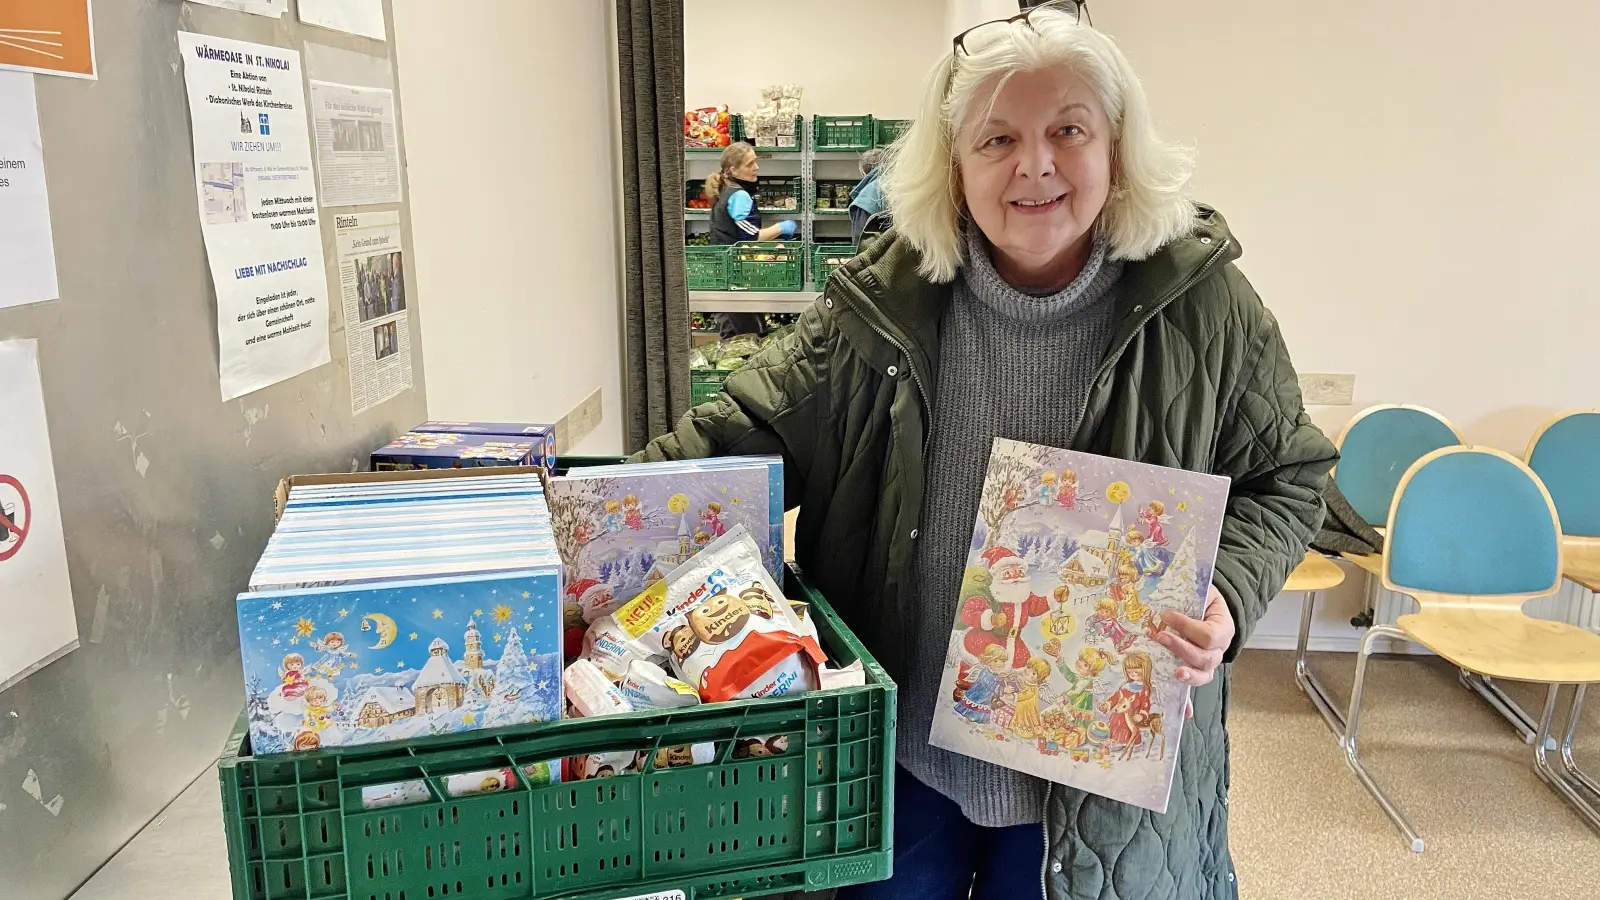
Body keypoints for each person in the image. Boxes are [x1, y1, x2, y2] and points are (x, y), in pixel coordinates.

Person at [639, 7, 1335, 899]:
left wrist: (1228, 594)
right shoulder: (881, 302)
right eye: (997, 137)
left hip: (1094, 792)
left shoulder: (1203, 305)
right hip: (899, 761)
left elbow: (1290, 477)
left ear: (1116, 148)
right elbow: (734, 437)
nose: (1035, 163)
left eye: (1068, 130)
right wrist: (557, 509)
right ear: (953, 163)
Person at [703, 142, 800, 338]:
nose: (756, 167)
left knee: (739, 337)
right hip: (734, 276)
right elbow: (752, 236)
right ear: (734, 170)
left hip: (726, 272)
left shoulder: (726, 189)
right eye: (750, 164)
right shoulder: (739, 195)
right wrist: (781, 228)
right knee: (747, 337)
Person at [849, 148, 890, 244]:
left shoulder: (866, 196)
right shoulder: (905, 184)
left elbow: (860, 242)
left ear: (863, 172)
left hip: (882, 255)